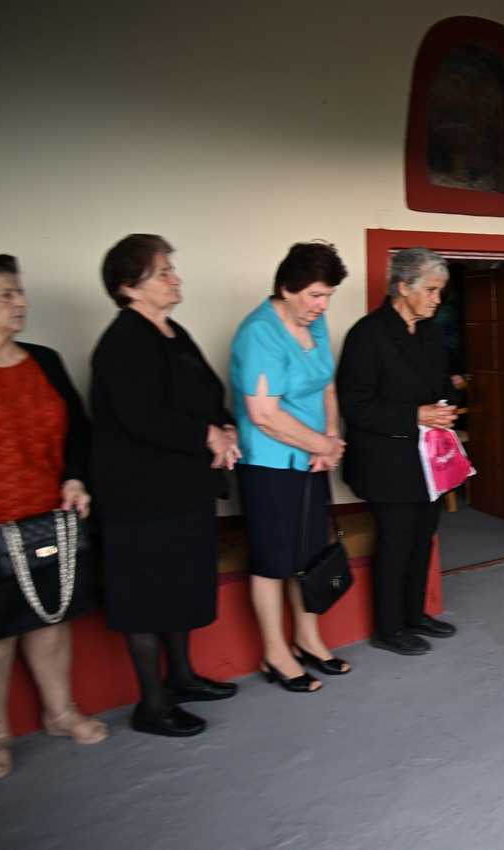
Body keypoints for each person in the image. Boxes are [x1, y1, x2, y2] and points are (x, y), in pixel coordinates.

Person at [91, 235, 240, 738]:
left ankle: (181, 677)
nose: (175, 278)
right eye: (162, 273)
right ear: (128, 288)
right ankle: (152, 705)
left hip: (184, 489)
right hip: (138, 497)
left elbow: (208, 394)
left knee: (181, 586)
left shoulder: (175, 333)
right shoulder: (122, 342)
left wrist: (225, 428)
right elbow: (142, 417)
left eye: (172, 269)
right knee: (146, 597)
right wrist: (206, 435)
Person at [0, 253, 105, 779]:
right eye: (6, 294)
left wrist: (75, 478)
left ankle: (60, 713)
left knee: (50, 619)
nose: (20, 302)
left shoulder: (45, 360)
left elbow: (78, 431)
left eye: (20, 292)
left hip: (47, 517)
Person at [230, 241, 348, 693]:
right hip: (270, 465)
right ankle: (275, 653)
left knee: (310, 554)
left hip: (312, 459)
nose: (323, 305)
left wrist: (330, 439)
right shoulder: (259, 332)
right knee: (272, 560)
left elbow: (327, 384)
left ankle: (307, 638)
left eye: (328, 296)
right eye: (315, 295)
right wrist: (322, 444)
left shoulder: (314, 322)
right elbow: (264, 415)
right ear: (286, 288)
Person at [336, 248, 459, 657]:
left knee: (423, 537)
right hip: (385, 461)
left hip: (427, 458)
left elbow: (441, 383)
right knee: (396, 541)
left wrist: (445, 406)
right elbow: (355, 405)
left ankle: (414, 614)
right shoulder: (367, 335)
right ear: (403, 287)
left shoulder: (429, 332)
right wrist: (415, 415)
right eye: (431, 290)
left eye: (440, 291)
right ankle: (388, 628)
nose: (437, 299)